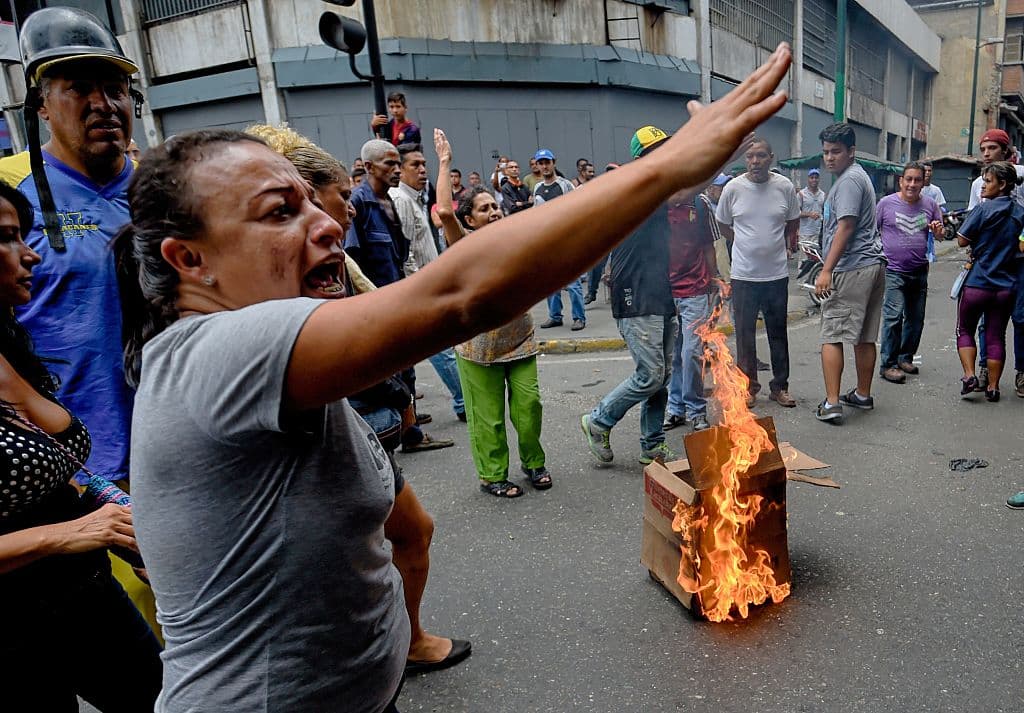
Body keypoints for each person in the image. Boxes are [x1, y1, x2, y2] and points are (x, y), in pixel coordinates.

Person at [114, 43, 791, 711]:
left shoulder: (277, 352)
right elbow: (460, 295)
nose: (324, 224)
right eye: (279, 212)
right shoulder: (209, 352)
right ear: (189, 259)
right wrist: (668, 167)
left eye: (314, 203)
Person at [245, 123, 471, 674]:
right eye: (336, 198)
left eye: (345, 199)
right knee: (348, 562)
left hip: (370, 426)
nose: (337, 217)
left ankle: (406, 640)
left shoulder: (338, 263)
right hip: (325, 440)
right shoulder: (258, 295)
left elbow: (392, 319)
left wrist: (405, 396)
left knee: (412, 530)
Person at [0, 179, 162, 711]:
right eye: (6, 238)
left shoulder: (12, 343)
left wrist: (129, 523)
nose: (29, 254)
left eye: (24, 235)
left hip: (85, 597)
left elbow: (66, 468)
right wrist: (63, 534)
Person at [434, 131, 549, 498]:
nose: (494, 212)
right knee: (489, 418)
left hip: (520, 340)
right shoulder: (465, 247)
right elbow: (445, 211)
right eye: (484, 209)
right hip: (477, 348)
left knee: (529, 407)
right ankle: (492, 474)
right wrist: (444, 163)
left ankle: (534, 463)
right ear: (469, 220)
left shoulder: (514, 242)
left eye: (495, 206)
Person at [345, 138, 453, 452]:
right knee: (391, 371)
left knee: (406, 367)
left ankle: (410, 426)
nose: (395, 170)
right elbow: (352, 262)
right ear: (368, 167)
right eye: (388, 164)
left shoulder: (389, 202)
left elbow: (399, 253)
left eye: (397, 163)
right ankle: (405, 431)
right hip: (375, 305)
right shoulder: (359, 202)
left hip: (396, 299)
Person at [581, 125, 681, 466]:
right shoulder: (639, 186)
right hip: (634, 294)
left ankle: (652, 444)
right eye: (657, 149)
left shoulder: (660, 185)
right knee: (651, 374)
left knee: (663, 375)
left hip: (661, 292)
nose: (665, 153)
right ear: (641, 158)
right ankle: (599, 420)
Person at [715, 137, 799, 408]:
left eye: (761, 156)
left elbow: (792, 221)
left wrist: (777, 244)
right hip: (744, 276)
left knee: (778, 332)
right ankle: (748, 387)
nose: (755, 161)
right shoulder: (733, 188)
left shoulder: (784, 187)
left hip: (776, 274)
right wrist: (743, 242)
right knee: (745, 335)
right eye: (750, 157)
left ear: (771, 158)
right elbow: (723, 225)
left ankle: (780, 386)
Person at [814, 123, 887, 423]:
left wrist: (826, 269)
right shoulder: (857, 177)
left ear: (851, 151)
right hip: (871, 264)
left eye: (836, 152)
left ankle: (832, 404)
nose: (830, 158)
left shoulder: (848, 182)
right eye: (826, 152)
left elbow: (846, 226)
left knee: (832, 334)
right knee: (864, 336)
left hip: (852, 267)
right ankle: (862, 394)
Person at [390, 144, 466, 420]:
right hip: (422, 289)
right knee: (441, 349)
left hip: (429, 283)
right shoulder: (400, 200)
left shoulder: (416, 199)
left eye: (424, 165)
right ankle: (463, 403)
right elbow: (406, 253)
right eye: (415, 165)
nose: (423, 171)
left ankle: (408, 414)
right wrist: (422, 288)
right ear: (400, 170)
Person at [954, 161, 1024, 401]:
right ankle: (993, 387)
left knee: (965, 329)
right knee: (996, 335)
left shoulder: (983, 210)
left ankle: (970, 375)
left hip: (978, 282)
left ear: (1002, 184)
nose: (983, 186)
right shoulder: (1020, 213)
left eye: (988, 181)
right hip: (1006, 285)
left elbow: (962, 240)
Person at [663, 175, 728, 433]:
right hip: (665, 291)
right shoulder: (657, 205)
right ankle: (676, 408)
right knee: (674, 353)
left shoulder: (700, 204)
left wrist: (716, 277)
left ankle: (696, 410)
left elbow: (709, 245)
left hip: (695, 289)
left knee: (691, 352)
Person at [875, 162, 943, 384]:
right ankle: (888, 364)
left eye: (917, 180)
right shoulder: (885, 204)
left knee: (915, 318)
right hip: (893, 270)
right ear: (901, 181)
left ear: (924, 182)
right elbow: (872, 231)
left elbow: (940, 234)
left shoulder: (930, 205)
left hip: (919, 270)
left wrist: (938, 231)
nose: (912, 184)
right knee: (894, 317)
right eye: (909, 179)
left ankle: (905, 357)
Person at [533, 148, 586, 330]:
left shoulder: (564, 185)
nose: (545, 166)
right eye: (541, 163)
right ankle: (555, 316)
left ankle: (579, 317)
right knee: (550, 283)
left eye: (547, 162)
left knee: (573, 283)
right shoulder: (537, 188)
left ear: (553, 163)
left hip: (566, 241)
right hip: (548, 243)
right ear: (537, 165)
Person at [798, 168, 825, 245]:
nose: (814, 180)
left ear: (819, 179)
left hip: (818, 233)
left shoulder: (823, 195)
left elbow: (825, 212)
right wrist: (809, 214)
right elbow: (796, 213)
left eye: (816, 178)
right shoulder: (801, 194)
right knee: (805, 257)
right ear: (808, 179)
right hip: (805, 233)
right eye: (812, 177)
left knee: (816, 256)